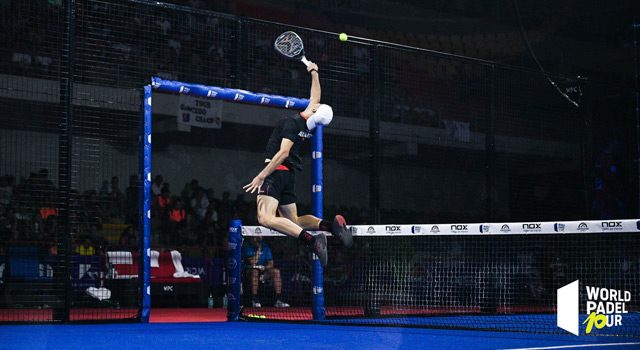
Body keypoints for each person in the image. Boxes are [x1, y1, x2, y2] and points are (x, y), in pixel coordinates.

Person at [243, 61, 352, 267]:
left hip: (276, 172)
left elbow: (283, 152)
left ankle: (312, 240)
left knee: (265, 218)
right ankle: (330, 226)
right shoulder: (308, 125)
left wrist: (261, 175)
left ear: (314, 111)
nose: (315, 103)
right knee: (293, 221)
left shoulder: (293, 122)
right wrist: (314, 72)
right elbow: (316, 97)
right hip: (289, 176)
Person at [242, 236, 289, 308]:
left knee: (276, 272)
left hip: (262, 270)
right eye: (257, 235)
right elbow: (253, 262)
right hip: (249, 271)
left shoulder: (266, 247)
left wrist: (264, 268)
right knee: (255, 272)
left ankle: (278, 300)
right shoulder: (247, 246)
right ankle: (254, 299)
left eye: (260, 235)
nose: (259, 237)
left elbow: (271, 263)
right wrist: (258, 249)